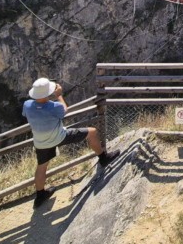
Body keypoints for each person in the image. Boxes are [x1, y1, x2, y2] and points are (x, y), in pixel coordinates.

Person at [22, 78, 119, 208]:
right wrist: (59, 95)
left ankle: (40, 196)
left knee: (41, 167)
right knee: (92, 132)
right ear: (47, 93)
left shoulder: (27, 105)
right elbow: (64, 109)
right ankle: (103, 157)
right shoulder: (53, 106)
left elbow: (30, 112)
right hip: (59, 137)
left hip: (40, 142)